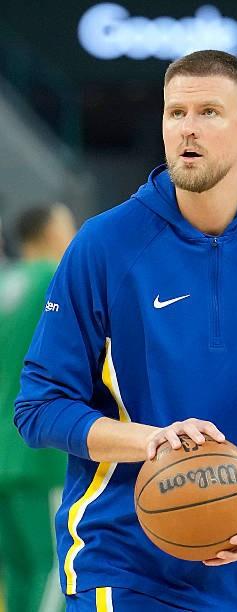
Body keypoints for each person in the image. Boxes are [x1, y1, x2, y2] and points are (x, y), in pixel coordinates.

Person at [15, 51, 237, 612]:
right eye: (175, 113)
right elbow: (39, 407)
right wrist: (150, 442)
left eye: (209, 112)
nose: (188, 129)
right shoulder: (104, 244)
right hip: (121, 562)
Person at [0, 203, 76, 612]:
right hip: (38, 455)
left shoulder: (4, 282)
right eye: (69, 227)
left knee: (17, 573)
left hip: (3, 456)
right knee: (54, 570)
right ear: (51, 233)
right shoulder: (54, 277)